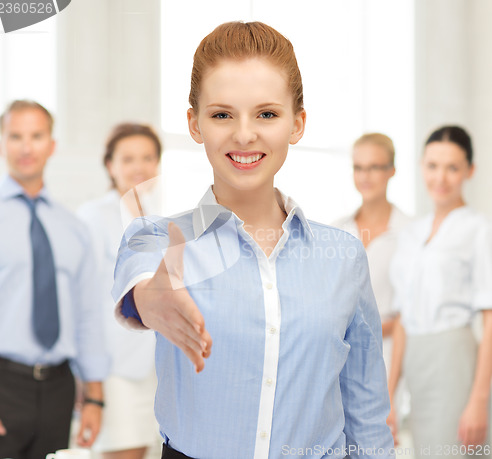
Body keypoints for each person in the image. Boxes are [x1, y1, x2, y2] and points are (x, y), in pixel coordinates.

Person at [111, 22, 394, 459]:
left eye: (267, 113)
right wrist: (151, 302)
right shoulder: (155, 238)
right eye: (222, 114)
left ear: (297, 124)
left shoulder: (344, 257)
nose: (244, 134)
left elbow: (366, 409)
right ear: (195, 123)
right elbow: (142, 292)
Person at [0, 100, 109, 459]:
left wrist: (94, 397)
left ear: (52, 146)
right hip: (0, 385)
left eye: (36, 136)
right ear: (0, 145)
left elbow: (88, 313)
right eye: (16, 136)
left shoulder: (73, 228)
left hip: (59, 389)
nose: (26, 147)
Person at [388, 126, 492, 458]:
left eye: (453, 167)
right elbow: (404, 317)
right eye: (433, 166)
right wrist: (390, 394)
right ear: (421, 166)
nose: (441, 177)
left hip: (455, 361)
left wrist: (478, 400)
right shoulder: (411, 234)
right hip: (416, 364)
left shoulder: (479, 230)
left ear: (470, 171)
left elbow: (490, 319)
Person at [78, 123, 163, 459]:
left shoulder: (161, 221)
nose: (138, 167)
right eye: (127, 158)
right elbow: (84, 301)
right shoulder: (93, 217)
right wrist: (88, 378)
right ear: (110, 165)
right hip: (116, 369)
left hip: (160, 369)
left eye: (147, 157)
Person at [333, 133, 411, 371]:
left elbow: (409, 312)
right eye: (359, 167)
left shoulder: (411, 233)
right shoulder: (337, 231)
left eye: (374, 167)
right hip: (341, 356)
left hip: (390, 356)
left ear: (392, 170)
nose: (365, 176)